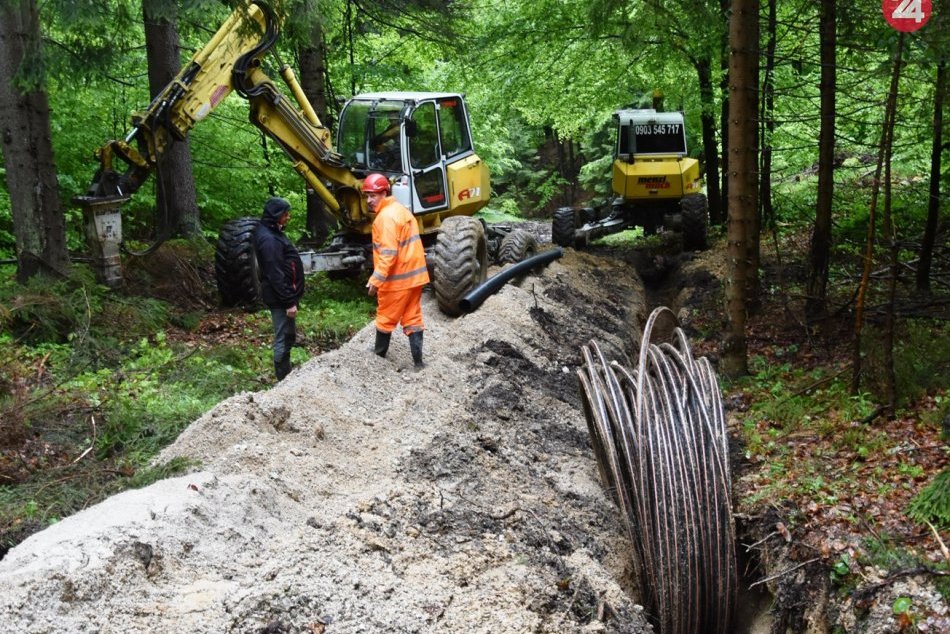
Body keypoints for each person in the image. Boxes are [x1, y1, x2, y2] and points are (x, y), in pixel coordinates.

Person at [364, 173, 429, 369]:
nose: (368, 200)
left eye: (373, 195)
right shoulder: (400, 210)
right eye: (366, 195)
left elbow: (388, 254)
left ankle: (377, 358)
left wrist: (375, 280)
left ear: (384, 193)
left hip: (397, 280)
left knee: (385, 318)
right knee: (413, 318)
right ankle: (418, 363)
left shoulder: (385, 218)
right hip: (415, 278)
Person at [254, 196, 304, 381]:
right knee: (283, 337)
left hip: (282, 296)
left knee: (288, 335)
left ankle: (287, 375)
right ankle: (283, 380)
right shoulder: (268, 239)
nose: (288, 216)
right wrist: (289, 302)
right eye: (285, 213)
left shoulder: (273, 232)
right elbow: (275, 274)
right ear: (276, 215)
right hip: (280, 298)